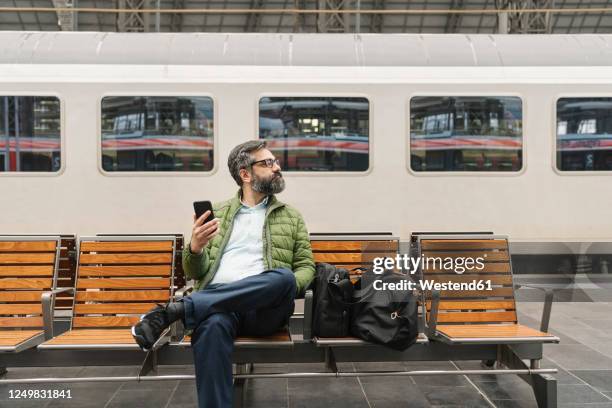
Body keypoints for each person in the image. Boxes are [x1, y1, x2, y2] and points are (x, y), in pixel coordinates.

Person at [131, 140, 315, 408]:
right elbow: (196, 272)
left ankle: (175, 311)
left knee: (284, 277)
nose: (277, 167)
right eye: (268, 163)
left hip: (265, 308)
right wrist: (195, 247)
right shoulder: (217, 213)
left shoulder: (291, 216)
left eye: (275, 161)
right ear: (245, 174)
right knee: (212, 327)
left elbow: (306, 267)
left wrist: (286, 286)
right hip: (219, 306)